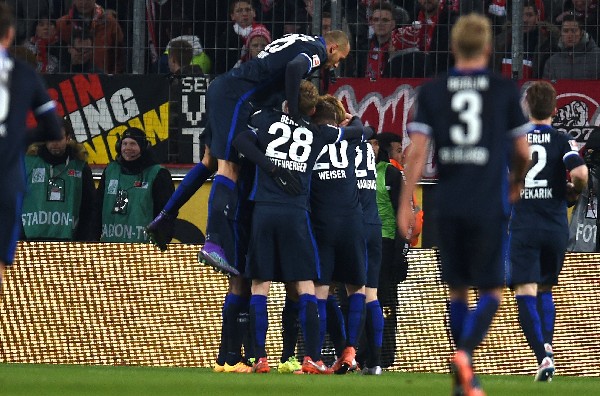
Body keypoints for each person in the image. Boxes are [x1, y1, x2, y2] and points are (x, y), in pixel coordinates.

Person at [397, 13, 530, 396]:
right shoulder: (504, 90)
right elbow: (522, 150)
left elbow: (416, 152)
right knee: (491, 292)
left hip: (447, 202)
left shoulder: (433, 91)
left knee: (457, 290)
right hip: (488, 201)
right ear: (488, 48)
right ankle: (466, 356)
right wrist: (516, 180)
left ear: (453, 47)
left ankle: (463, 378)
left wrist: (407, 202)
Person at [232, 81, 372, 374]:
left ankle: (260, 359)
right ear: (312, 108)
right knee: (307, 285)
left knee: (260, 285)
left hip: (264, 209)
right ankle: (313, 358)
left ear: (287, 102)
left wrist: (271, 167)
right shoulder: (317, 132)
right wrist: (353, 119)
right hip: (297, 214)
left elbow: (241, 142)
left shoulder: (266, 120)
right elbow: (361, 133)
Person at [197, 30, 350, 276]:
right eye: (339, 58)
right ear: (332, 48)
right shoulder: (317, 51)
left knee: (211, 161)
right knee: (229, 168)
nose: (336, 64)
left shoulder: (301, 39)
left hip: (229, 90)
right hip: (235, 96)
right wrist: (294, 113)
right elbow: (293, 68)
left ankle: (171, 217)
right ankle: (213, 242)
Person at [508, 81, 588, 382]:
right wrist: (572, 191)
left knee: (525, 291)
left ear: (526, 106)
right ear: (555, 110)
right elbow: (580, 173)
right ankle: (548, 349)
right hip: (555, 225)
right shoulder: (563, 139)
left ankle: (543, 357)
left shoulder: (515, 139)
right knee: (545, 289)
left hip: (525, 225)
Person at [0, 3, 62, 291]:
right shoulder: (24, 75)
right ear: (10, 34)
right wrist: (16, 136)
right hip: (6, 184)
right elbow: (53, 129)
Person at [95, 127, 174, 242]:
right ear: (119, 146)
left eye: (133, 144)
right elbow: (96, 208)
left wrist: (161, 240)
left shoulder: (158, 174)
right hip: (110, 246)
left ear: (144, 147)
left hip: (143, 248)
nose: (127, 148)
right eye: (124, 143)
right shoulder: (110, 170)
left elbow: (167, 213)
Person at [21, 118, 95, 241]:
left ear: (68, 138)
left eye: (59, 138)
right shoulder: (27, 163)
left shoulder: (80, 167)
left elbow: (89, 207)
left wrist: (83, 239)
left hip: (67, 243)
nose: (55, 143)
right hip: (29, 241)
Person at [493, 0, 559, 79]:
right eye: (520, 15)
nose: (524, 20)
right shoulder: (500, 41)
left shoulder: (547, 44)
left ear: (537, 17)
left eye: (529, 15)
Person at [55, 0, 125, 74]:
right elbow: (54, 54)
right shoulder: (61, 24)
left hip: (103, 80)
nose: (84, 2)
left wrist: (113, 78)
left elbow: (120, 55)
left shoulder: (110, 23)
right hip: (67, 79)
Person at [213, 0, 270, 74]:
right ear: (232, 16)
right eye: (239, 11)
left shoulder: (262, 32)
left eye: (248, 10)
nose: (244, 14)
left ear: (254, 13)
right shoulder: (226, 37)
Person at [542, 15, 600, 80]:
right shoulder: (552, 62)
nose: (569, 35)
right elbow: (546, 89)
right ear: (561, 33)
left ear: (581, 33)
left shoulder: (597, 57)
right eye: (566, 31)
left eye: (573, 31)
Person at [365, 1, 397, 79]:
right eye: (376, 20)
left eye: (385, 20)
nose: (380, 23)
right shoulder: (363, 47)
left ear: (393, 24)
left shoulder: (399, 48)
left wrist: (394, 57)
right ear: (371, 23)